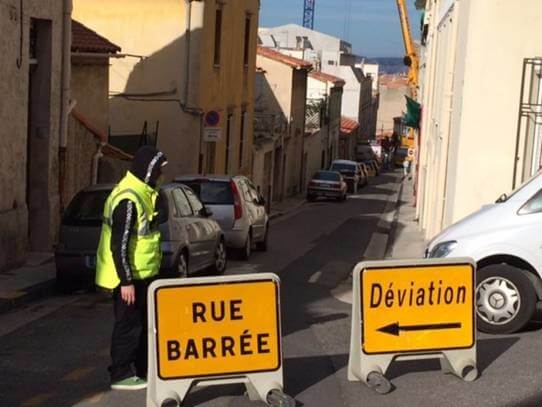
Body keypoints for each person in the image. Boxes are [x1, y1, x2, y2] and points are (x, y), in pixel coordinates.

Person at [95, 146, 168, 390]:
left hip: (143, 274)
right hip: (129, 277)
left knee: (144, 325)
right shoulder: (128, 199)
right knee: (128, 326)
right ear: (146, 171)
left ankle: (143, 370)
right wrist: (125, 281)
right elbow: (119, 244)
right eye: (157, 170)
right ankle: (121, 374)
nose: (160, 175)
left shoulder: (143, 193)